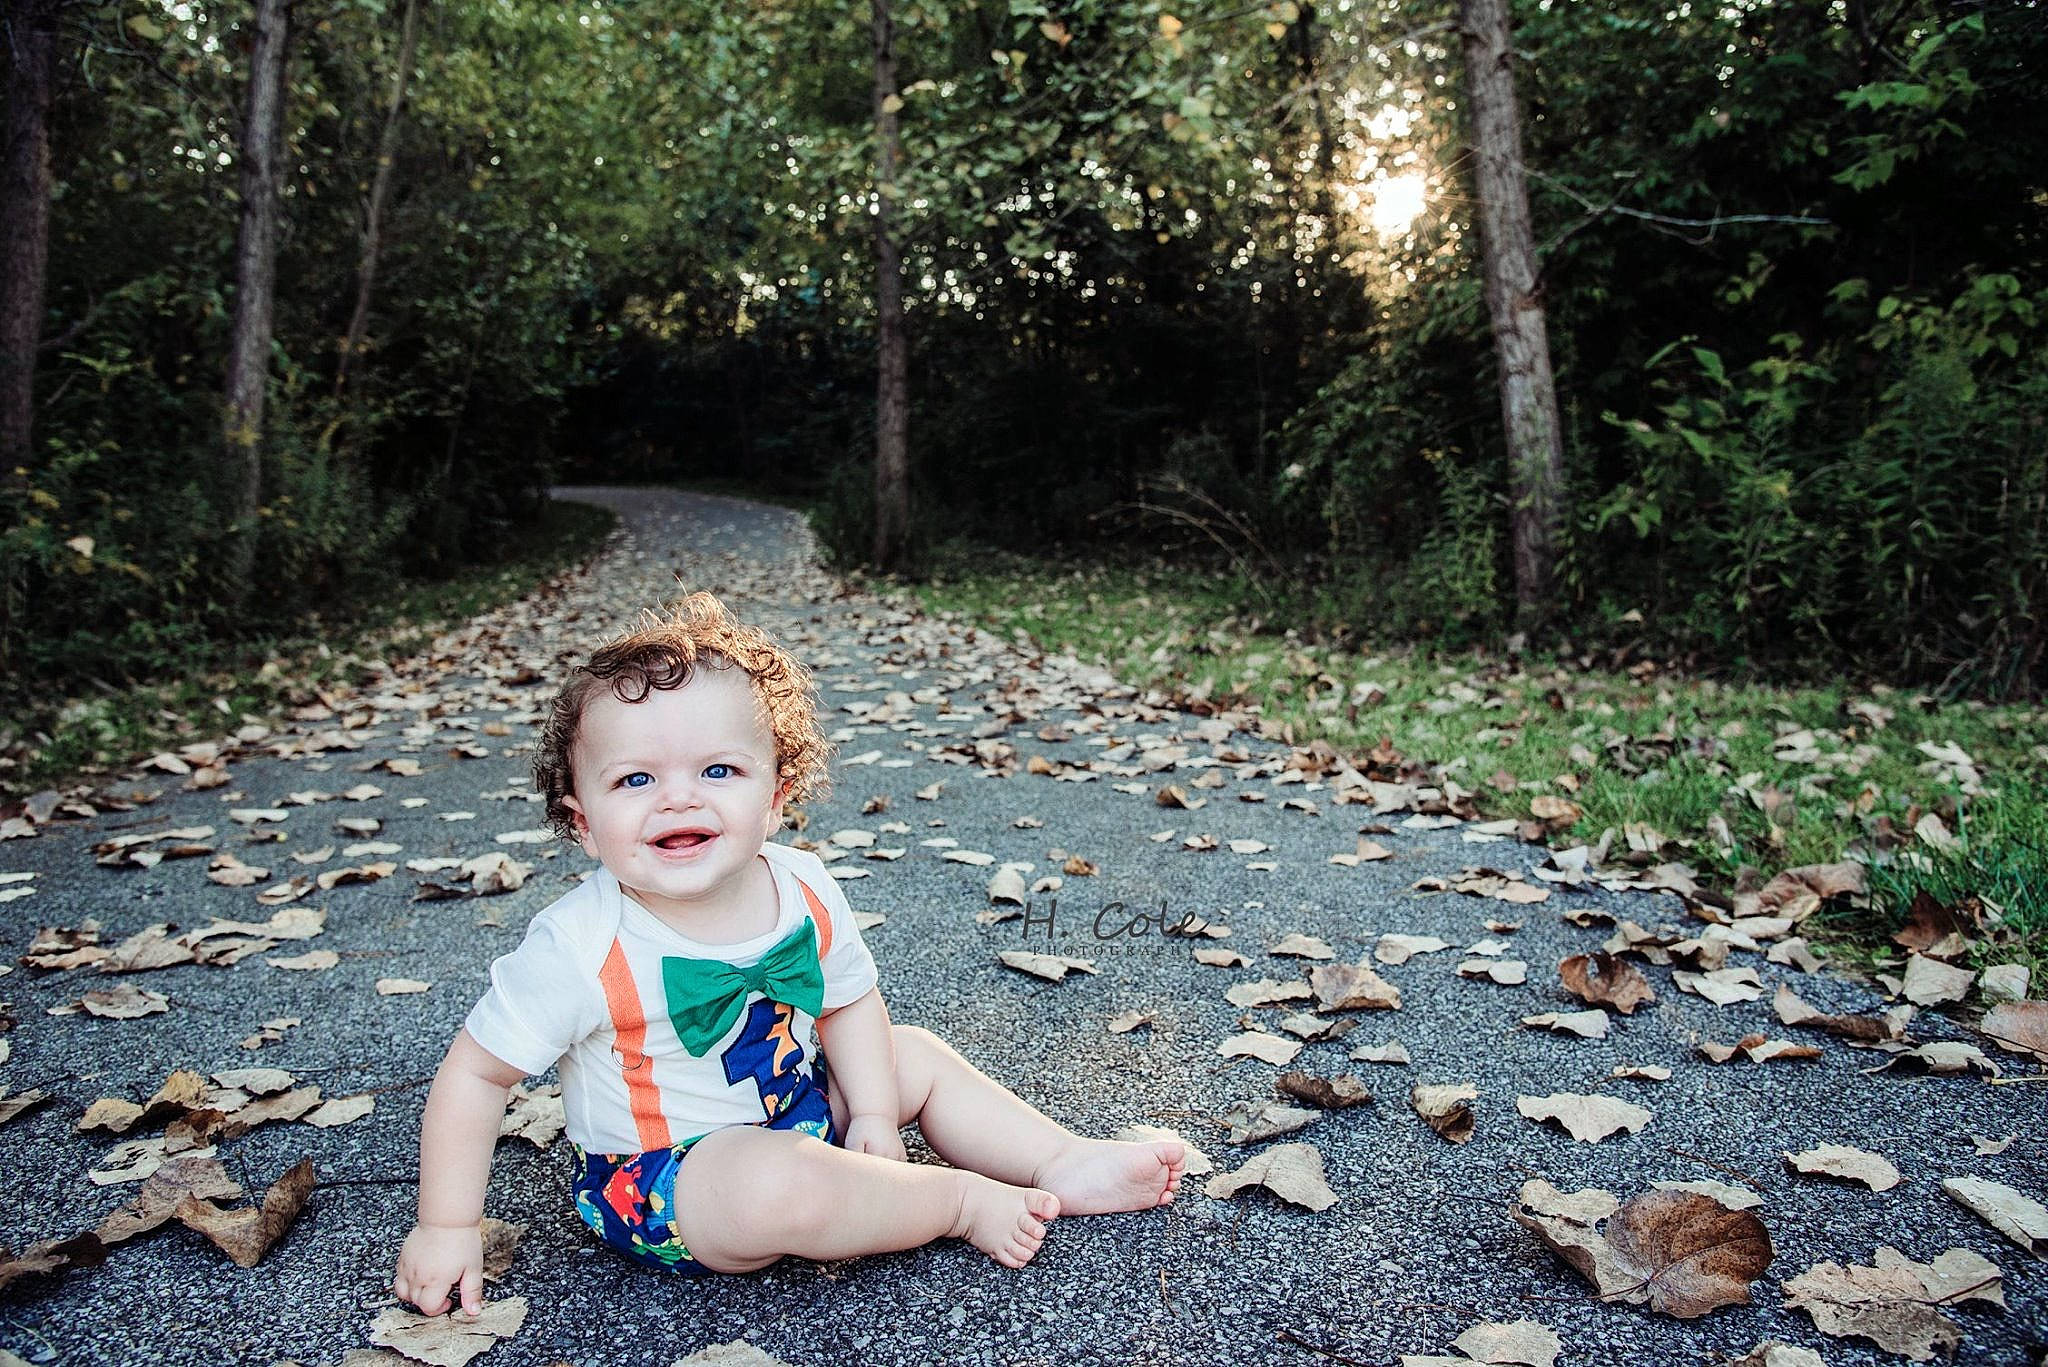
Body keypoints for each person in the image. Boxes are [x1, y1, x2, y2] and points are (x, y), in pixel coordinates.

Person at [392, 591, 1186, 1316]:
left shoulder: (802, 885)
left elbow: (847, 1001)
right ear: (581, 823)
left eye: (718, 770)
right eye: (635, 778)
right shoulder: (579, 944)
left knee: (912, 1054)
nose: (679, 796)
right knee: (779, 1186)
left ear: (775, 796)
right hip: (670, 1178)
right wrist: (447, 1223)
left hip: (796, 1105)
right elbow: (476, 1073)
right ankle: (955, 1200)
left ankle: (1059, 1158)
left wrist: (872, 1110)